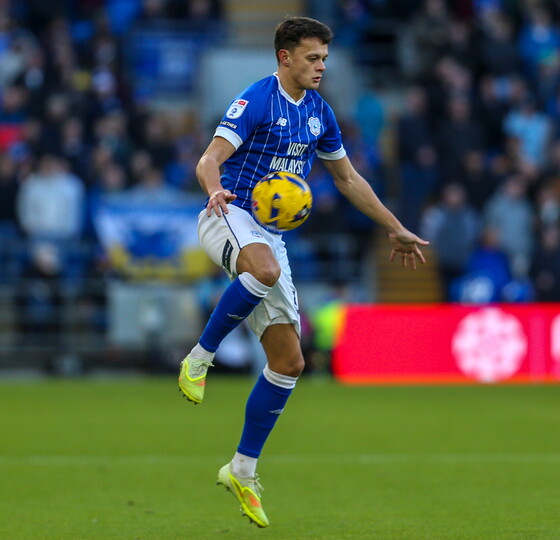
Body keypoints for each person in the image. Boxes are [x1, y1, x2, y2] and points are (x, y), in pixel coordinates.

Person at [176, 16, 428, 528]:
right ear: (285, 57)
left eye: (325, 60)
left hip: (269, 235)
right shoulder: (256, 99)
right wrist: (213, 190)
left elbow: (349, 179)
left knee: (290, 362)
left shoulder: (319, 113)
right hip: (226, 213)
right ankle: (200, 358)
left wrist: (394, 227)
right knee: (264, 269)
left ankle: (242, 469)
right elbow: (209, 160)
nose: (320, 67)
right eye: (312, 58)